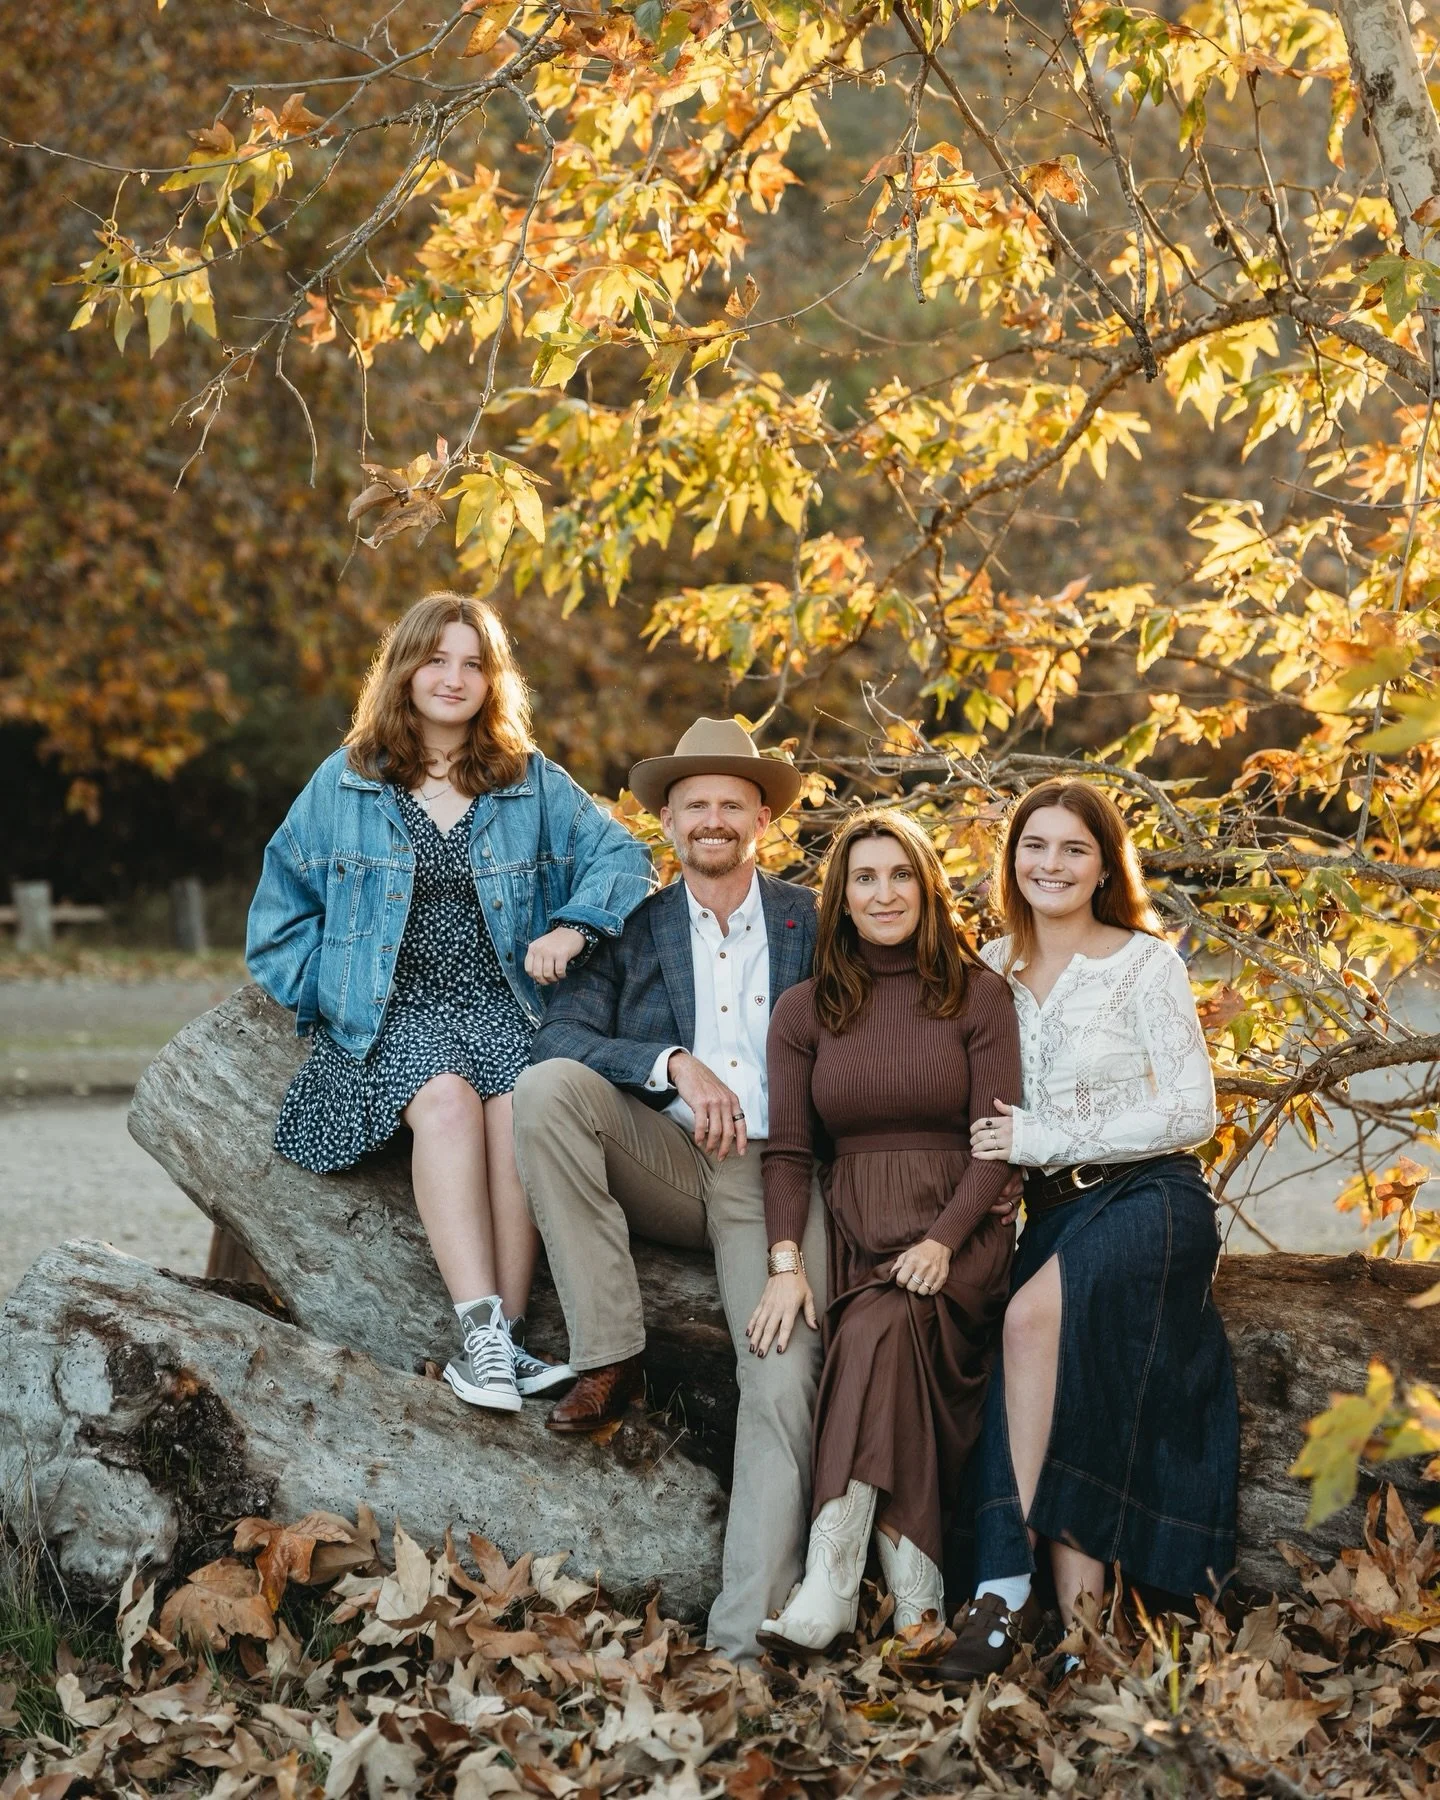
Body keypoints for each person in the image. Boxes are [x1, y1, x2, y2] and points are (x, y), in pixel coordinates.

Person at [246, 590, 654, 1415]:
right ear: (405, 668)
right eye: (437, 658)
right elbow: (276, 925)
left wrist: (573, 929)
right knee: (445, 1104)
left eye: (474, 663)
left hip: (506, 1007)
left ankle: (500, 1344)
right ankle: (482, 1335)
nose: (453, 677)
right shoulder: (347, 783)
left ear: (493, 682)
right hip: (394, 1016)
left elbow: (625, 855)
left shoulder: (527, 781)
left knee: (519, 1114)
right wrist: (338, 996)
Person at [510, 716, 828, 1666]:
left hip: (777, 1181)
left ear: (762, 818)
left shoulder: (815, 921)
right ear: (670, 822)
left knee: (779, 1381)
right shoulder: (634, 929)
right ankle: (610, 1349)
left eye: (733, 802)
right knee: (546, 1091)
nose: (714, 819)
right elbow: (559, 1038)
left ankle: (740, 1642)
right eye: (696, 805)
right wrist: (672, 1062)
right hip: (669, 1154)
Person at [934, 776, 1238, 1683]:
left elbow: (1193, 1109)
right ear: (1011, 858)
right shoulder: (984, 971)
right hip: (1054, 1211)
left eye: (1074, 848)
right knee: (1063, 1366)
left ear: (1105, 863)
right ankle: (1079, 1632)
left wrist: (1042, 1138)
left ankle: (1001, 1584)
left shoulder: (1146, 965)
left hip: (1154, 1198)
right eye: (1036, 846)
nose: (1052, 864)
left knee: (1032, 1324)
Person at [750, 810, 1023, 1652]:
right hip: (862, 1233)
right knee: (880, 1324)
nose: (884, 893)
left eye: (900, 875)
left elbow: (1000, 1144)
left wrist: (943, 1241)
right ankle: (916, 1596)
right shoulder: (806, 1011)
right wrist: (787, 1261)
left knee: (876, 1325)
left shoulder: (978, 994)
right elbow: (790, 1154)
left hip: (961, 1231)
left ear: (928, 886)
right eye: (864, 878)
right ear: (841, 897)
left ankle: (830, 1582)